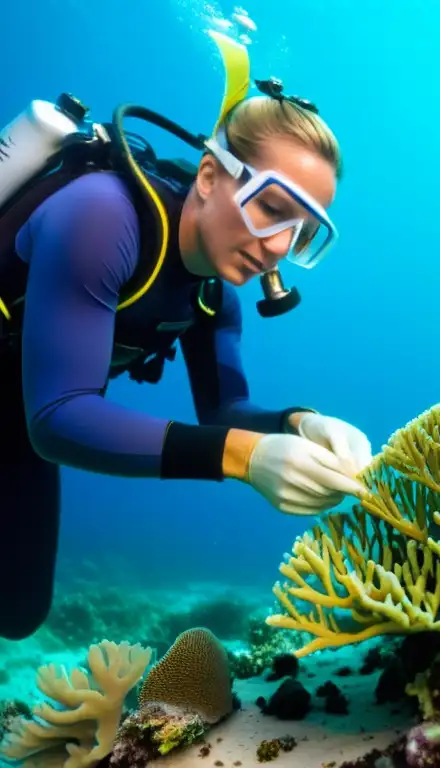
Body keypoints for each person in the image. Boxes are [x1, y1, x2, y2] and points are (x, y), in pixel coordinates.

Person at [0, 89, 374, 641]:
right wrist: (244, 457)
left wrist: (301, 423)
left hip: (14, 403)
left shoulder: (213, 299)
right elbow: (58, 417)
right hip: (37, 410)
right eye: (272, 208)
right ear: (208, 176)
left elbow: (225, 409)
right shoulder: (101, 215)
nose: (276, 247)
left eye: (301, 232)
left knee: (19, 609)